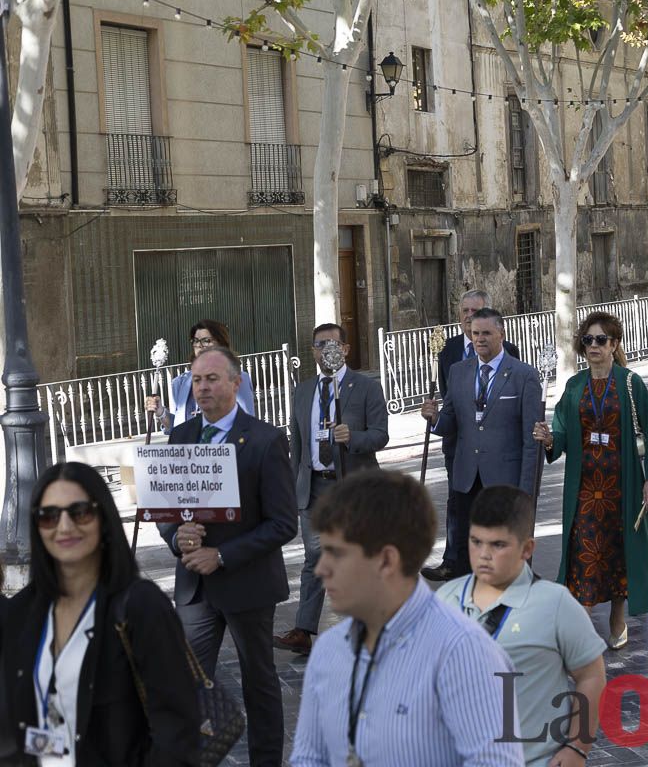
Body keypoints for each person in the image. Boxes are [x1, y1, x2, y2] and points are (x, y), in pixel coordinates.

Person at [290, 471, 523, 766]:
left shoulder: (467, 653)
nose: (321, 569)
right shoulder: (328, 650)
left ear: (386, 560)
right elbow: (308, 758)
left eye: (336, 554)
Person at [2, 462, 200, 765]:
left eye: (79, 512)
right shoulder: (21, 613)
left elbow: (177, 730)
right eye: (49, 516)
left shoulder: (140, 606)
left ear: (103, 518)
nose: (64, 526)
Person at [158, 346, 298, 766]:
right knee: (187, 684)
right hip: (195, 590)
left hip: (248, 585)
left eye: (212, 378)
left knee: (259, 682)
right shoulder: (180, 437)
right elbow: (166, 510)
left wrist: (221, 555)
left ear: (236, 383)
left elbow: (282, 523)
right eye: (197, 380)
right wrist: (176, 536)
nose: (202, 387)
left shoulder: (265, 439)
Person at [437, 486, 607, 767]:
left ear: (527, 549)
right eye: (476, 542)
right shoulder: (444, 601)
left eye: (498, 545)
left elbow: (592, 675)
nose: (483, 555)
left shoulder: (555, 604)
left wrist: (577, 748)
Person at [531, 312, 648, 649]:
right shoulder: (575, 386)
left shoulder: (630, 383)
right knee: (584, 554)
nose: (593, 346)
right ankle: (581, 624)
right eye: (588, 340)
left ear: (614, 343)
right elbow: (560, 431)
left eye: (600, 340)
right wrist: (548, 439)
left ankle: (618, 616)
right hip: (585, 487)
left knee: (619, 552)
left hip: (623, 485)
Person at [275, 324, 390, 656]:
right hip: (314, 489)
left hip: (353, 487)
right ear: (312, 351)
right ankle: (303, 629)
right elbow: (297, 446)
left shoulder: (365, 387)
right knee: (314, 558)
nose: (326, 349)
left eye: (332, 344)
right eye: (319, 344)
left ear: (346, 349)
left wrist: (352, 437)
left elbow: (381, 434)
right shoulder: (303, 391)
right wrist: (296, 485)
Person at [421, 308, 541, 580]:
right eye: (475, 333)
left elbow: (530, 439)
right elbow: (450, 421)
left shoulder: (524, 375)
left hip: (504, 481)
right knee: (468, 554)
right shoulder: (458, 372)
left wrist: (527, 489)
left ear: (502, 333)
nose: (480, 339)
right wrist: (435, 418)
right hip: (466, 480)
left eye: (486, 333)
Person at [145, 319, 255, 432]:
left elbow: (246, 426)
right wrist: (161, 412)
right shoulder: (180, 383)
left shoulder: (236, 379)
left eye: (206, 341)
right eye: (196, 341)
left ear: (221, 344)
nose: (200, 346)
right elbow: (178, 428)